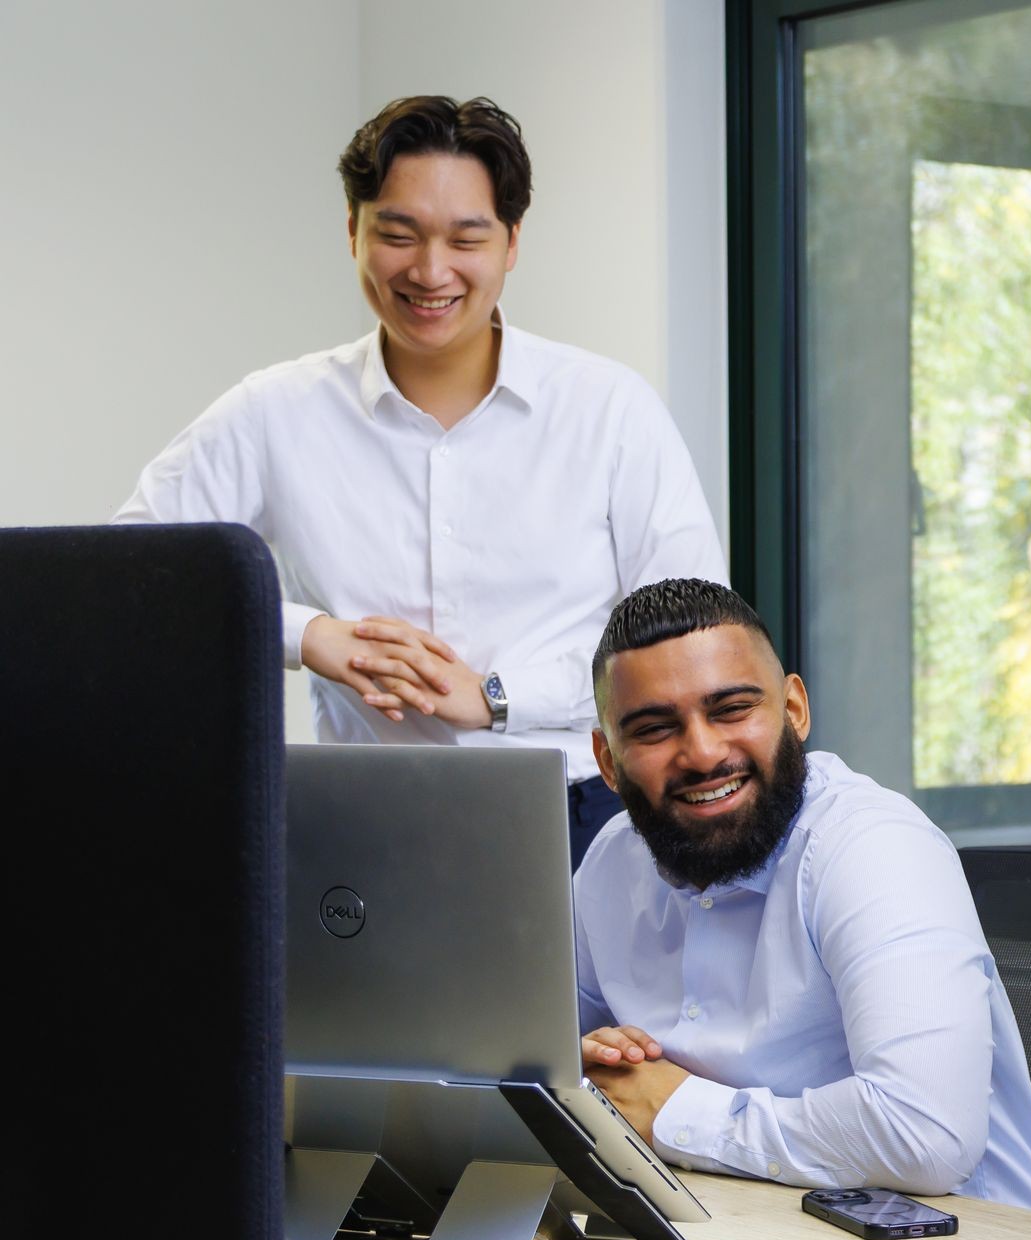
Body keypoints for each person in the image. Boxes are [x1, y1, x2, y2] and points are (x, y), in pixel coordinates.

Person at [114, 96, 726, 865]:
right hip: (361, 818)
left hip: (584, 812)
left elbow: (694, 632)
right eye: (397, 235)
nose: (430, 273)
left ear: (511, 244)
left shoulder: (610, 409)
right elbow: (134, 575)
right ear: (352, 232)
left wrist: (499, 698)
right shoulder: (276, 411)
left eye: (466, 238)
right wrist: (310, 636)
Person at [572, 578, 1031, 1218]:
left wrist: (674, 1110)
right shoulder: (609, 864)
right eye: (654, 728)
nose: (702, 753)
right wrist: (587, 1068)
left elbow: (923, 1134)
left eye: (731, 710)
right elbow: (561, 1063)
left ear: (794, 711)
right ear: (608, 761)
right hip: (737, 1235)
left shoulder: (872, 847)